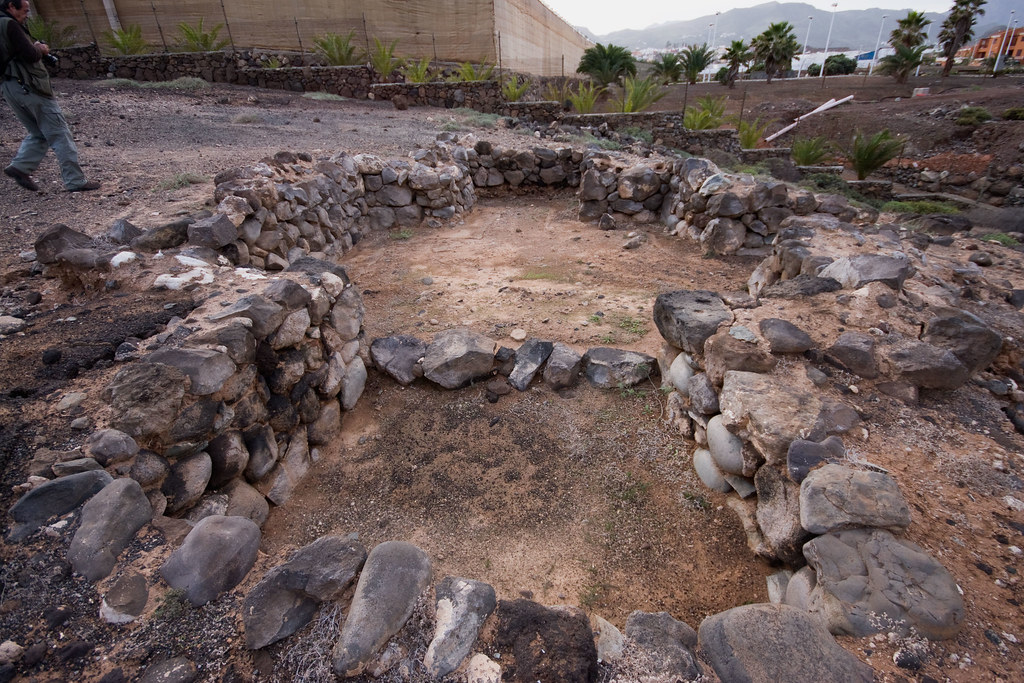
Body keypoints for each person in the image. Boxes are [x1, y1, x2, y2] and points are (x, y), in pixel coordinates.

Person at [1, 0, 98, 192]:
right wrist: (41, 49)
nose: (27, 14)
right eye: (25, 10)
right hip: (29, 86)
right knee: (60, 134)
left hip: (9, 87)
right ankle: (75, 181)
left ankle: (20, 167)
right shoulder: (9, 24)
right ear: (11, 7)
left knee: (38, 132)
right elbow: (30, 55)